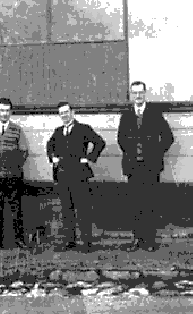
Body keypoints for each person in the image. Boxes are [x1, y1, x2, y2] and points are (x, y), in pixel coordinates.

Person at [116, 81, 174, 252]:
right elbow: (121, 139)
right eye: (135, 93)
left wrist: (155, 153)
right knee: (135, 203)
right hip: (133, 167)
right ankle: (136, 239)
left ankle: (149, 240)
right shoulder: (126, 115)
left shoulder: (155, 114)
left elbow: (168, 137)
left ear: (145, 93)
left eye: (141, 93)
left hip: (151, 167)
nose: (138, 96)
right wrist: (132, 154)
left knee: (150, 203)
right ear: (131, 95)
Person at [46, 101, 106, 253]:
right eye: (61, 113)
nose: (64, 115)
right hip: (63, 175)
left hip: (79, 175)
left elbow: (99, 142)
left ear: (72, 112)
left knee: (83, 209)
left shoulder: (83, 129)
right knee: (67, 209)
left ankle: (86, 243)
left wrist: (89, 158)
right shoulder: (58, 131)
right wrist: (53, 158)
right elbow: (49, 145)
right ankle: (69, 241)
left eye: (66, 112)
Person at [0, 97, 29, 251]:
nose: (4, 113)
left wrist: (14, 167)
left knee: (17, 209)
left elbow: (23, 151)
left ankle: (19, 241)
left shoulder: (17, 129)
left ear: (11, 112)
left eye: (7, 110)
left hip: (13, 176)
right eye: (2, 110)